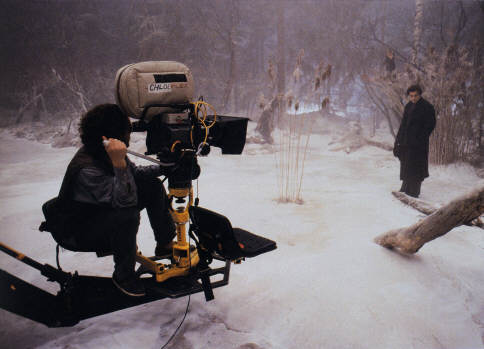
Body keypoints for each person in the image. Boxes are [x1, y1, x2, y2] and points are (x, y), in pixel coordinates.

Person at [45, 104, 176, 297]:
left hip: (98, 212)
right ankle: (124, 276)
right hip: (79, 230)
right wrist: (118, 162)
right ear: (113, 135)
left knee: (152, 185)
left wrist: (165, 168)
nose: (129, 134)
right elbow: (125, 200)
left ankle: (164, 244)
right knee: (127, 215)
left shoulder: (101, 151)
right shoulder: (86, 169)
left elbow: (134, 175)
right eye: (126, 129)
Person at [393, 85, 436, 198]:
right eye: (411, 96)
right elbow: (403, 125)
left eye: (415, 96)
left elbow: (430, 125)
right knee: (406, 165)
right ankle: (405, 188)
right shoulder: (408, 106)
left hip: (419, 145)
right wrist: (397, 141)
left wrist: (419, 139)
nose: (413, 98)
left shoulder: (427, 107)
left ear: (420, 94)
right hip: (406, 142)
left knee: (417, 167)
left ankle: (414, 192)